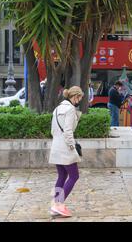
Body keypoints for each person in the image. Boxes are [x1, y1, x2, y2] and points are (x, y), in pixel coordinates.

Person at [49, 86, 84, 217]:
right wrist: (72, 147)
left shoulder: (57, 109)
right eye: (80, 98)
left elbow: (53, 131)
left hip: (56, 146)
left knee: (62, 176)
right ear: (76, 97)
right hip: (65, 147)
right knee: (74, 176)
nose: (79, 100)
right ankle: (59, 205)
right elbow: (68, 131)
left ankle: (55, 205)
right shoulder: (70, 109)